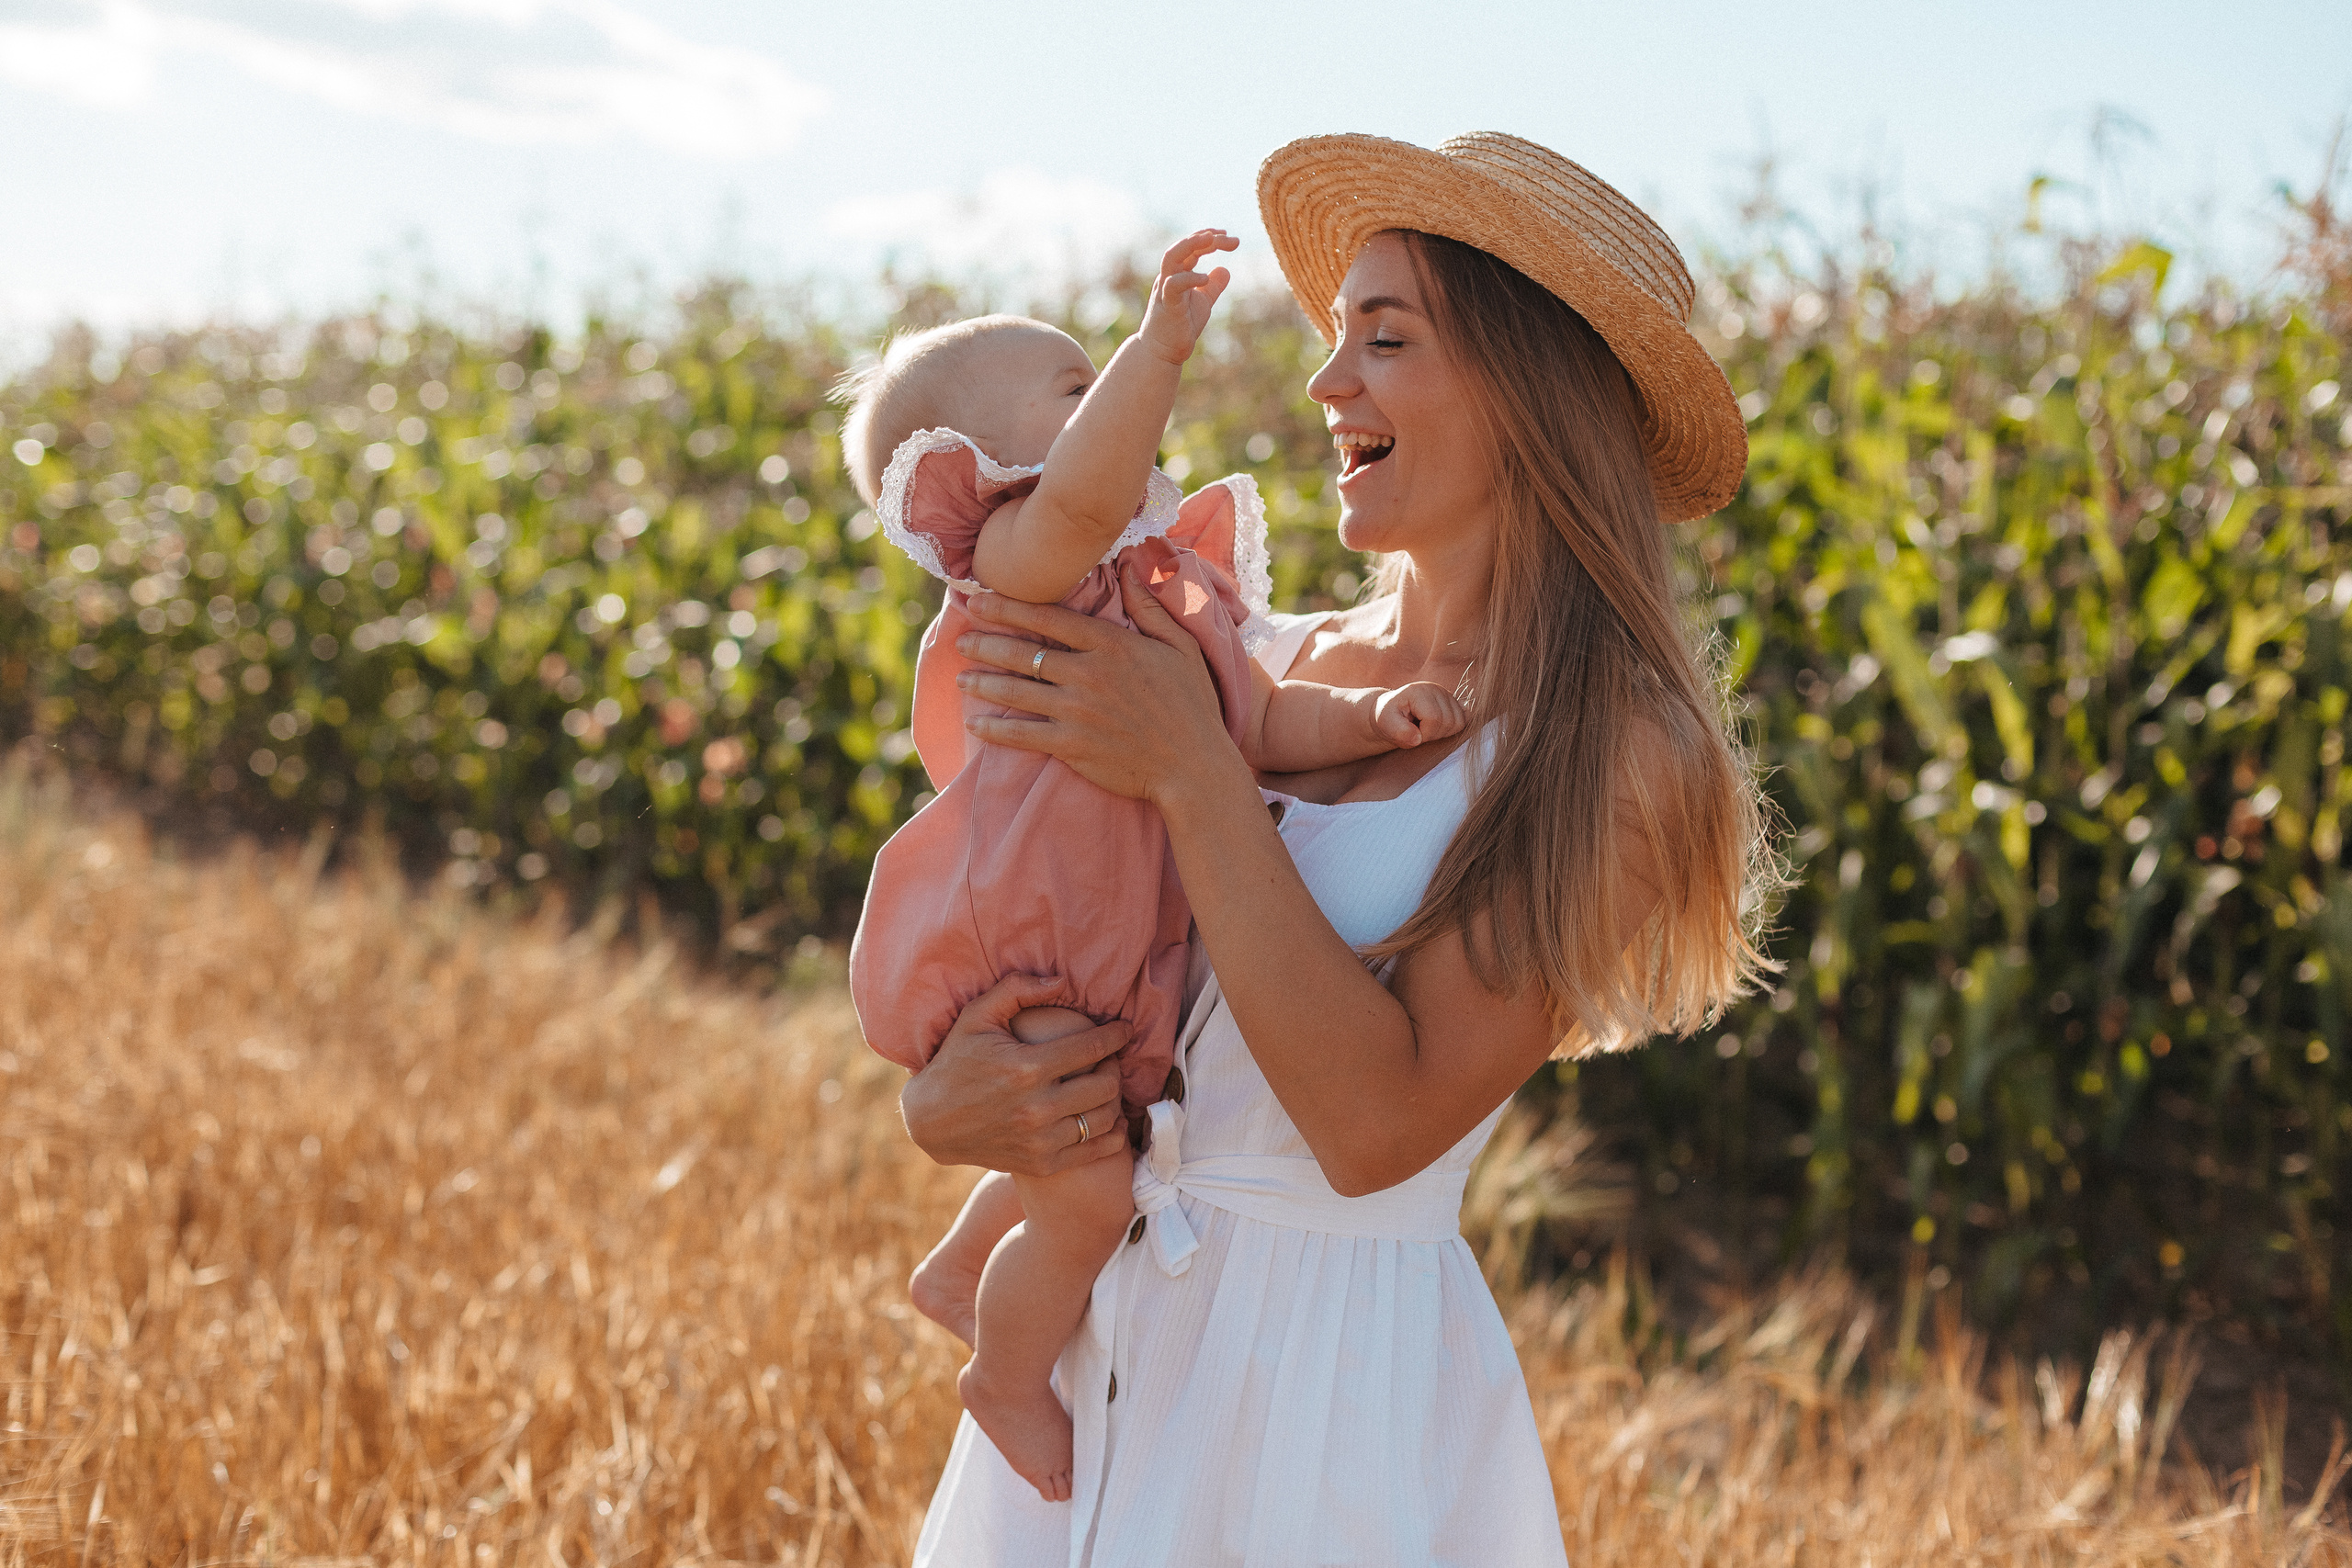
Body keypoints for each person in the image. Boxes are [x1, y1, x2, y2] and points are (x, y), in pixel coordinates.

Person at [899, 131, 1777, 1566]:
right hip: (1096, 1342)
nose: (1325, 384)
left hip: (1317, 1397)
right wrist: (953, 1100)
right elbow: (1042, 904)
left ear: (1528, 392)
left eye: (1385, 337)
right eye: (1331, 336)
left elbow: (1375, 1130)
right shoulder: (1264, 659)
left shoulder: (1614, 754)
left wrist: (1188, 765)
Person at [839, 231, 1468, 1502]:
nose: (1324, 382)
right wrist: (1156, 346)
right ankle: (1006, 1370)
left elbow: (1250, 729)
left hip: (1316, 1349)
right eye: (1074, 393)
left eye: (1384, 338)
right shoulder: (1027, 559)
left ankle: (973, 1274)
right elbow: (1079, 502)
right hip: (1057, 950)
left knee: (1092, 1159)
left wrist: (1370, 722)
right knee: (1083, 1183)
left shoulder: (1186, 609)